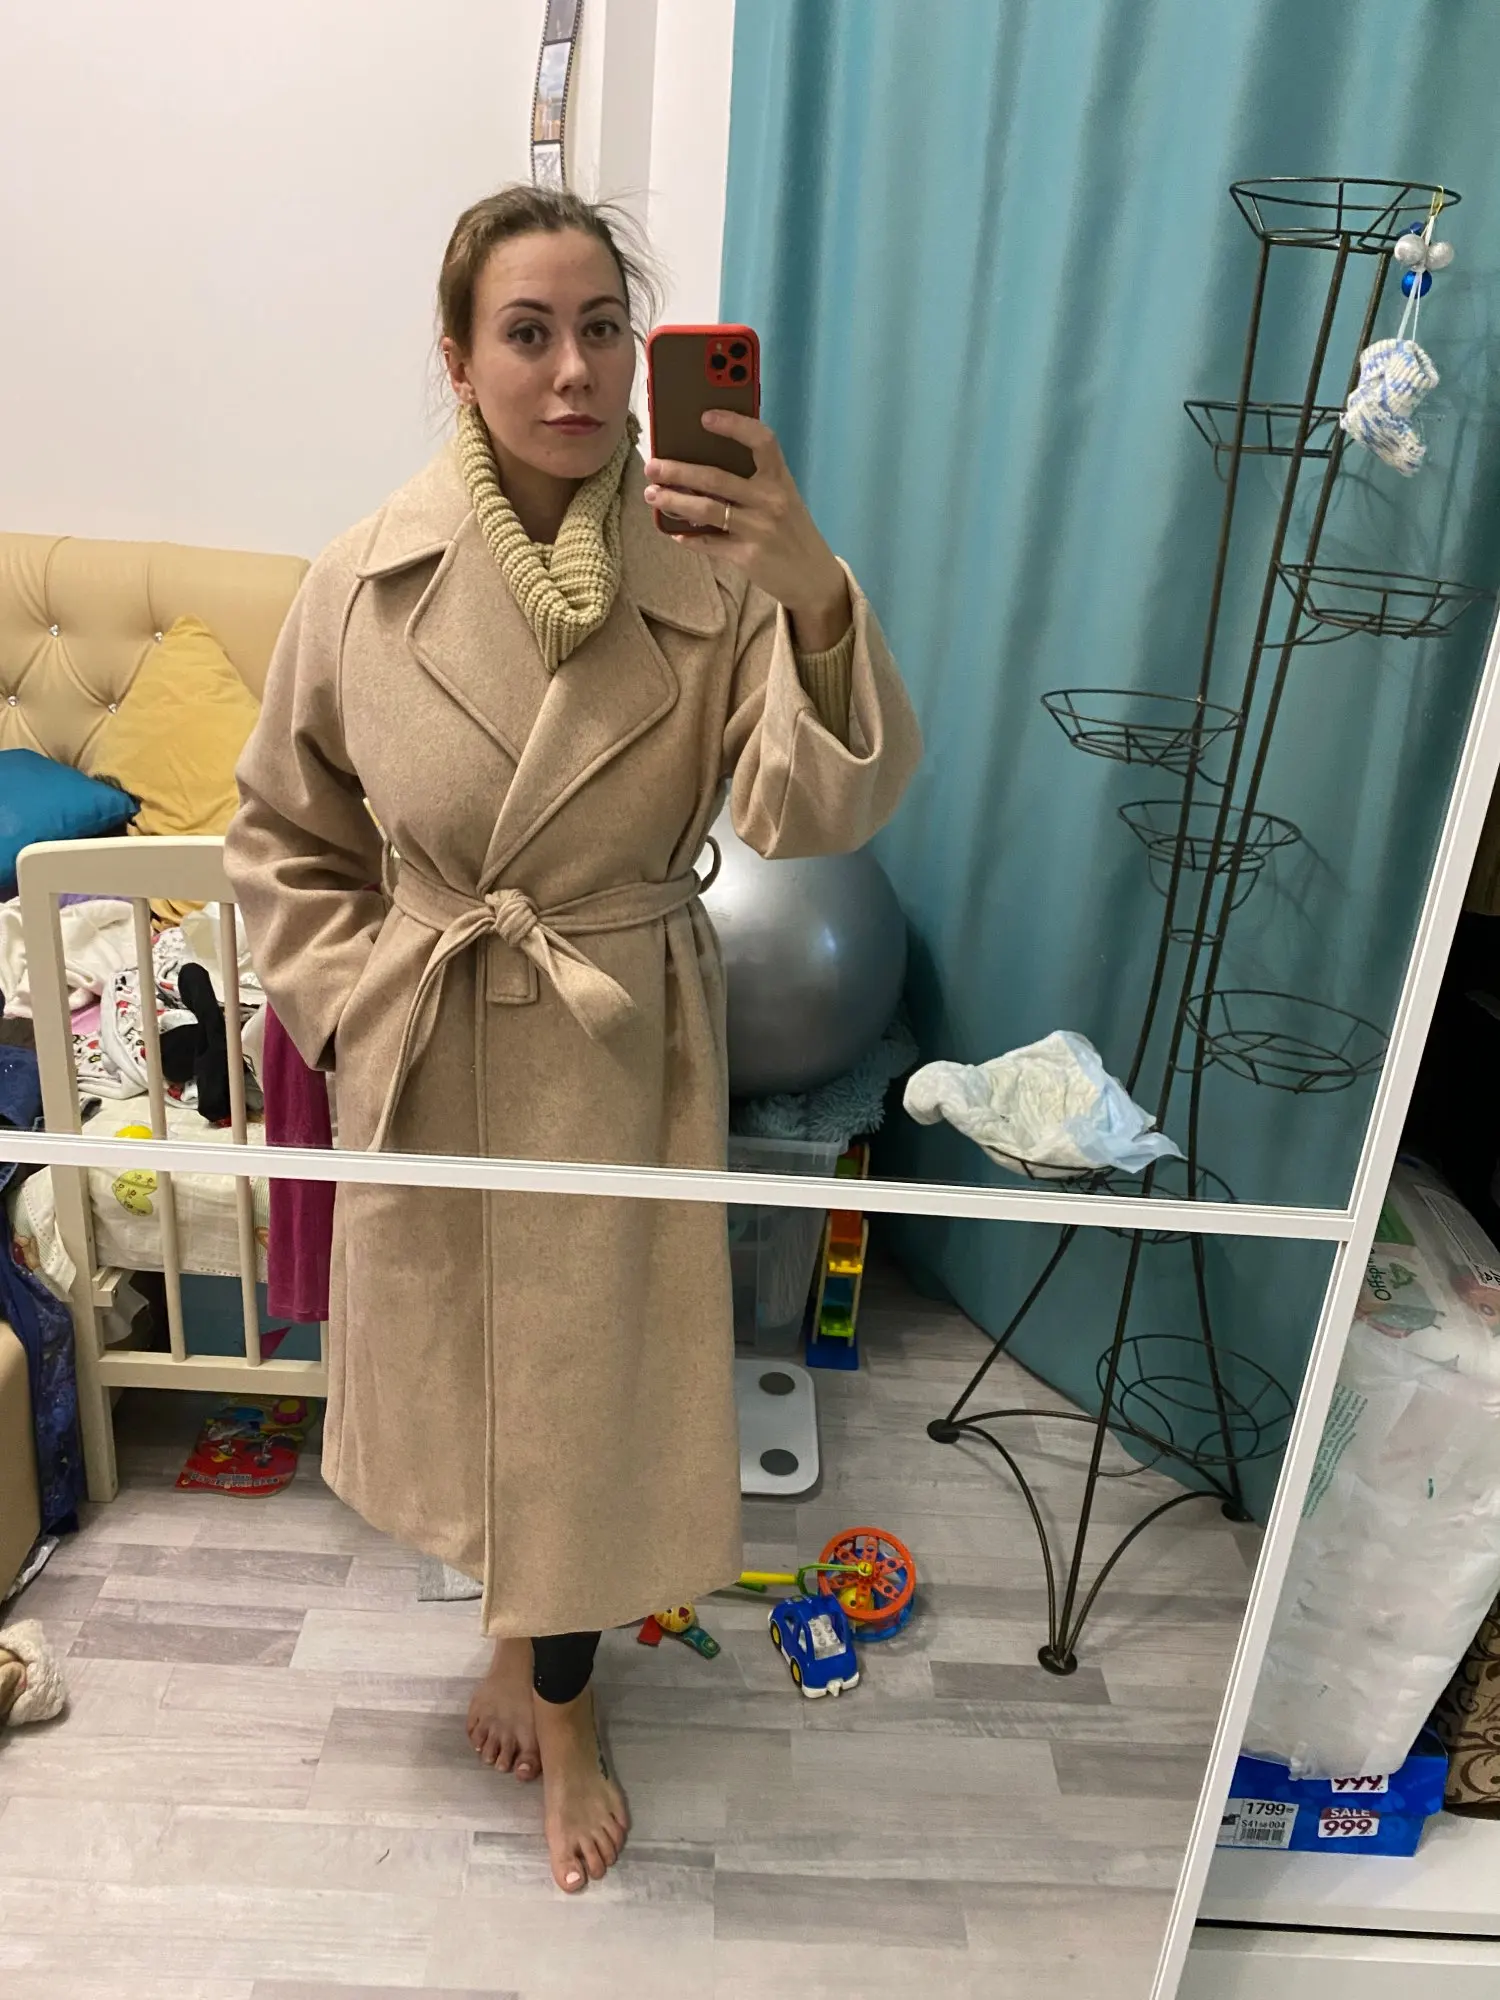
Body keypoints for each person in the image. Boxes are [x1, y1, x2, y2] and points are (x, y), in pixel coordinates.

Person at [225, 185, 921, 1894]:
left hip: (617, 1050)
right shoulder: (359, 580)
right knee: (481, 1400)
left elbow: (813, 810)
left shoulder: (716, 573)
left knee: (586, 1407)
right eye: (528, 333)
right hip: (438, 1036)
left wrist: (811, 587)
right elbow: (281, 833)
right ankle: (514, 1634)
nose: (576, 371)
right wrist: (354, 1004)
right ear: (457, 360)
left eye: (604, 329)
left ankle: (571, 1700)